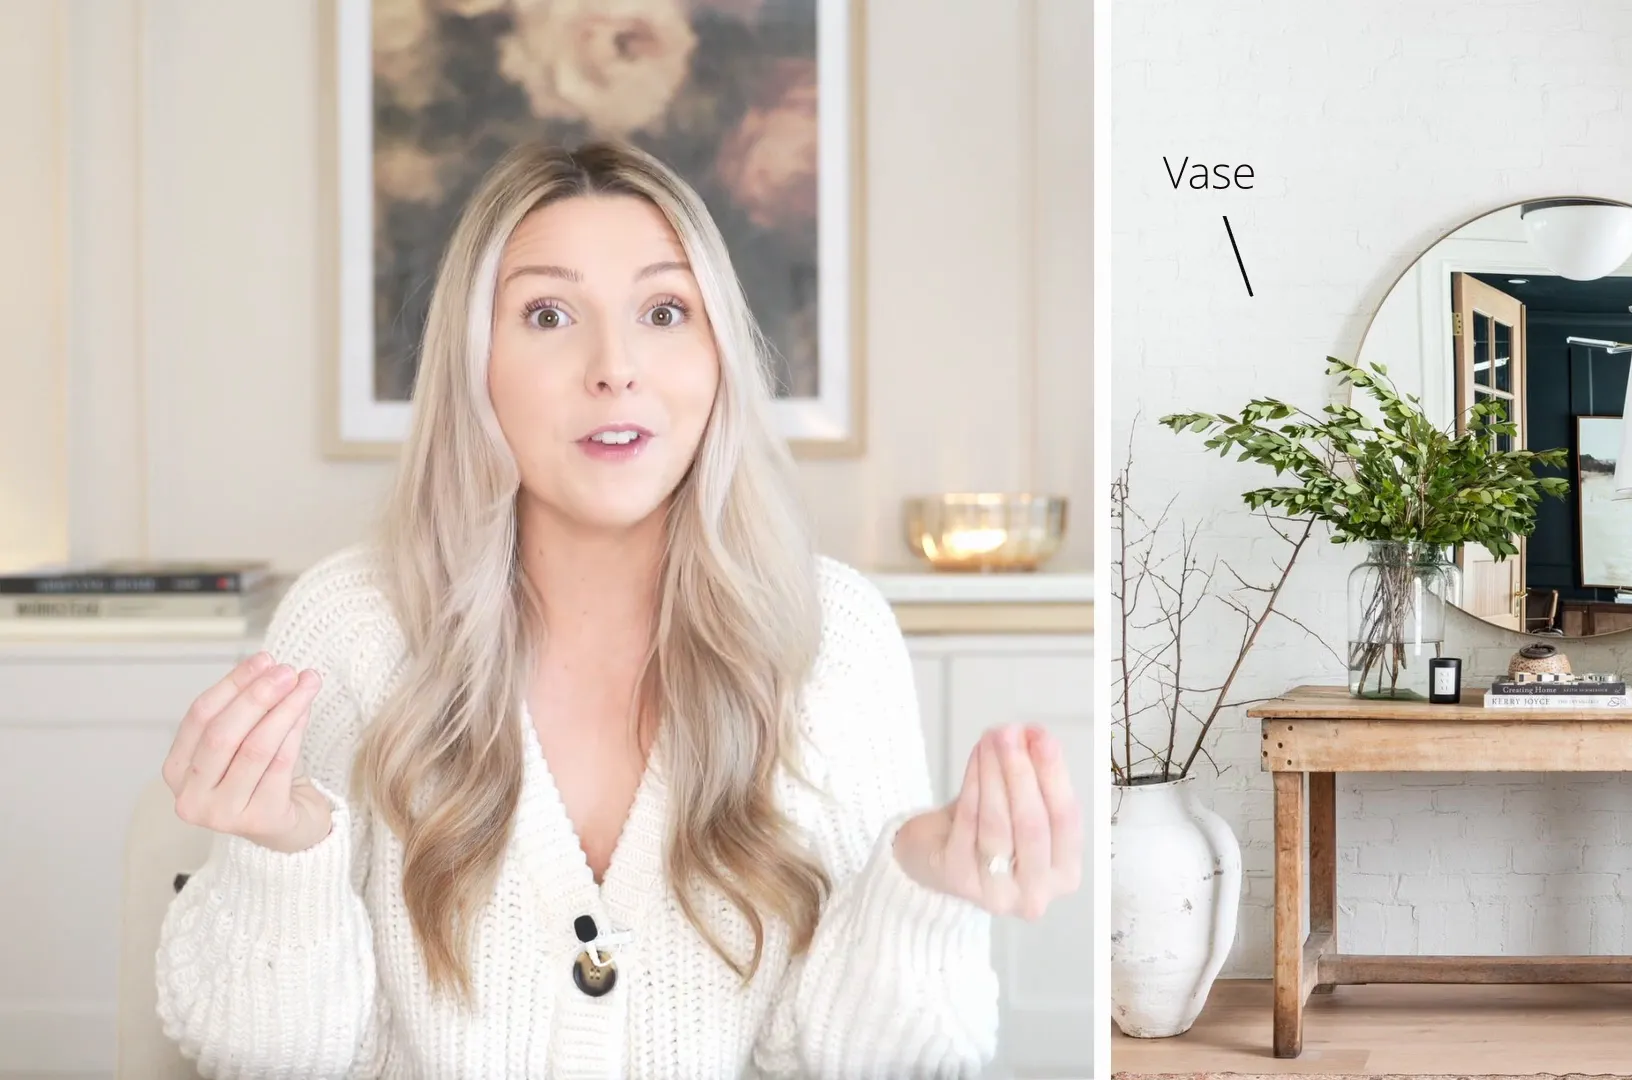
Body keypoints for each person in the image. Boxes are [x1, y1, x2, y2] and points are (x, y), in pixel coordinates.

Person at [153, 140, 1082, 1079]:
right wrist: (277, 856)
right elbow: (269, 1055)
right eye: (549, 314)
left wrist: (920, 882)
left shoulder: (832, 636)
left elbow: (874, 1064)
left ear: (718, 352)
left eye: (665, 311)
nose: (615, 368)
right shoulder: (353, 627)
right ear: (475, 362)